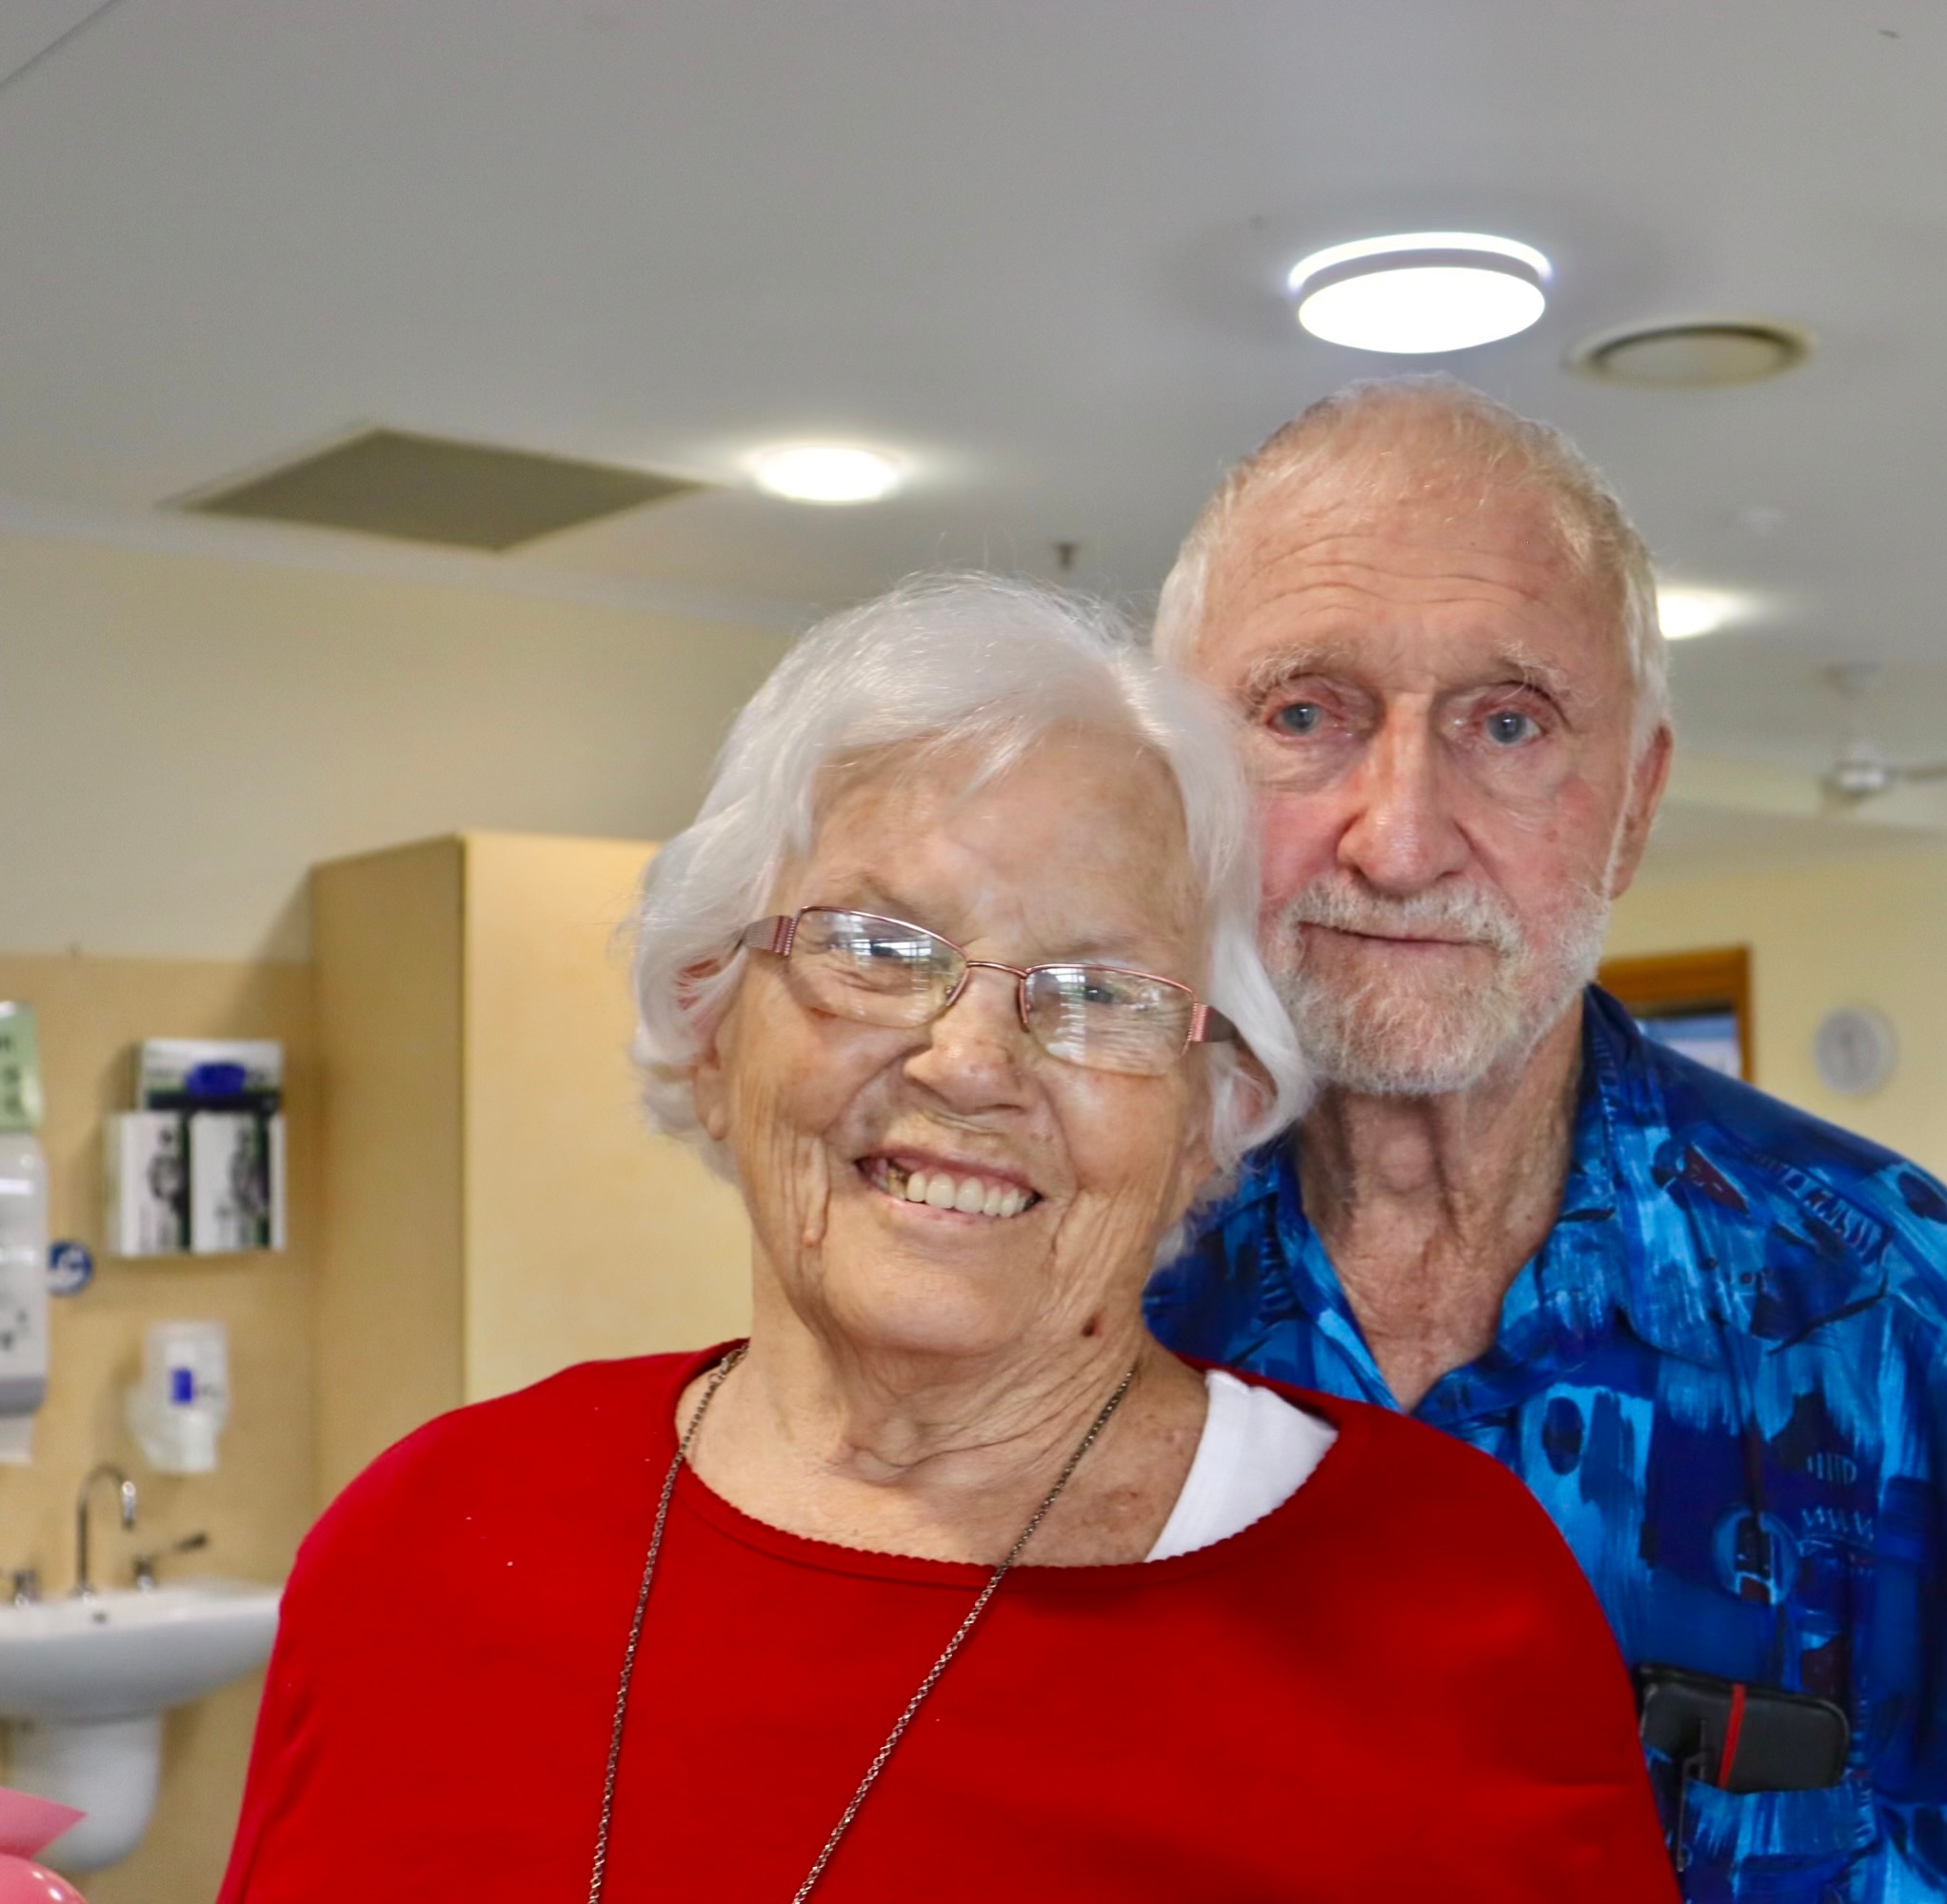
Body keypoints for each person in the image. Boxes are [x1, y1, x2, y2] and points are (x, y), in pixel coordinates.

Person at [219, 576, 1679, 1902]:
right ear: (717, 1015)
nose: (970, 1061)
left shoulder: (1446, 1607)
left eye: (1099, 991)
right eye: (874, 950)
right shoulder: (423, 1541)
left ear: (1210, 1112)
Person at [1144, 381, 1947, 1902]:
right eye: (1303, 715)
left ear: (1633, 806)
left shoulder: (1886, 1301)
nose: (1400, 837)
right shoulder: (1067, 1277)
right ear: (1169, 780)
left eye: (1507, 723)